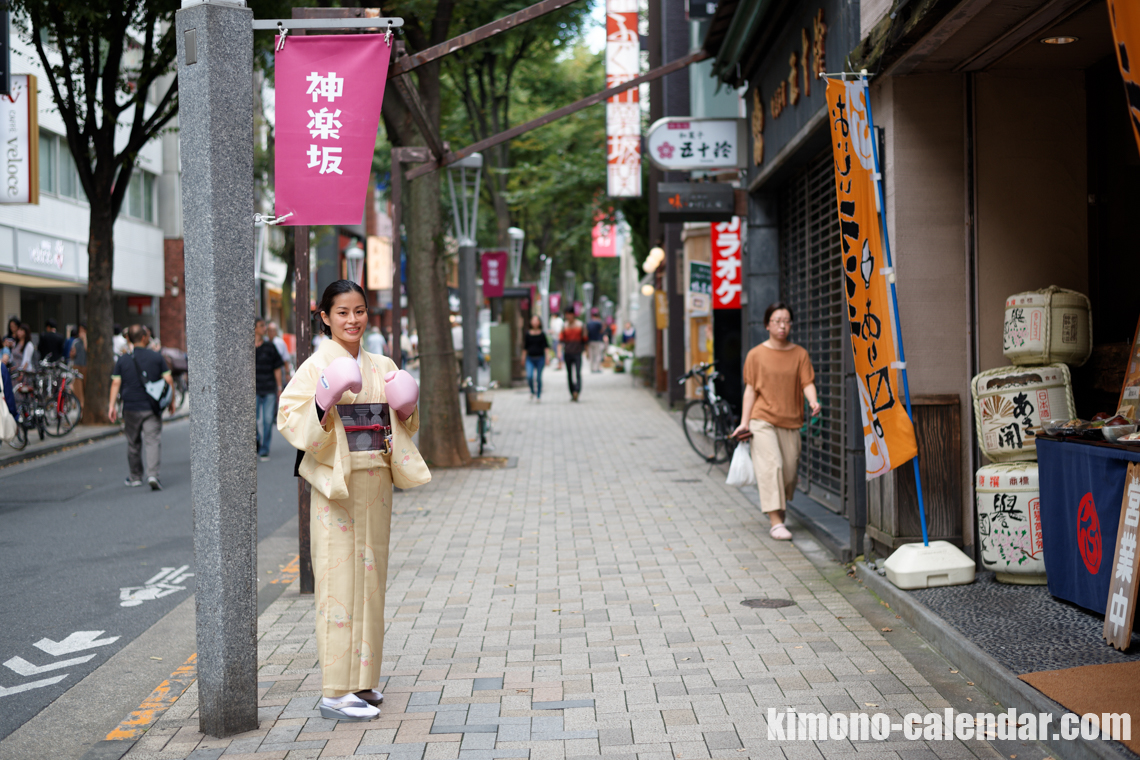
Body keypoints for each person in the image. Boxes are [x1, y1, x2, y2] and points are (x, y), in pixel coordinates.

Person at [278, 280, 430, 722]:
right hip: (336, 485)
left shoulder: (380, 364)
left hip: (375, 482)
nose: (352, 320)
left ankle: (362, 679)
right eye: (342, 312)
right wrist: (324, 400)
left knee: (371, 580)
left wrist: (405, 408)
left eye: (359, 311)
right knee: (338, 582)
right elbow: (291, 420)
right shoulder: (313, 366)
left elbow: (404, 425)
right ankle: (334, 691)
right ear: (324, 317)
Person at [731, 303, 820, 541]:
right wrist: (744, 422)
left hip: (791, 420)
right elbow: (750, 390)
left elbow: (807, 382)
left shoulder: (799, 353)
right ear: (767, 324)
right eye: (777, 320)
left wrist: (813, 401)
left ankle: (778, 509)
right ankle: (776, 521)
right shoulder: (756, 355)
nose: (782, 325)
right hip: (762, 419)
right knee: (773, 465)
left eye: (787, 321)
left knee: (789, 472)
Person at [109, 325, 174, 491]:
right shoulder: (156, 357)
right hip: (151, 407)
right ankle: (153, 475)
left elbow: (116, 382)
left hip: (130, 406)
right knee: (152, 441)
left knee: (133, 442)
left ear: (129, 339)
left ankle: (135, 476)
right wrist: (171, 401)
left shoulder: (123, 360)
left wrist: (111, 406)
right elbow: (168, 379)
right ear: (145, 337)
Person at [255, 318, 284, 461]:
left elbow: (277, 368)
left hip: (269, 389)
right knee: (251, 421)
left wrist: (279, 387)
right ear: (254, 329)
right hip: (252, 390)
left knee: (267, 420)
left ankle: (264, 449)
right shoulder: (246, 348)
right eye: (261, 326)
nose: (264, 328)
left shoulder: (270, 346)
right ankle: (256, 442)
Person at [558, 308, 587, 401]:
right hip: (567, 352)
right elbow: (561, 340)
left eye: (570, 314)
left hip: (578, 352)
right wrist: (559, 352)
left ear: (574, 314)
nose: (569, 316)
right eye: (567, 314)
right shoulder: (564, 326)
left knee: (578, 373)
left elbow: (585, 339)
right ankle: (572, 392)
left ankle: (577, 391)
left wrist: (587, 351)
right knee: (569, 373)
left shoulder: (580, 325)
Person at [524, 315, 549, 402]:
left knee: (538, 378)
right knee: (529, 376)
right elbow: (525, 347)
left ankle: (538, 395)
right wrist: (523, 358)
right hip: (530, 358)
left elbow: (546, 347)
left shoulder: (542, 334)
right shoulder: (528, 334)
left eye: (536, 320)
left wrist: (547, 358)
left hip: (540, 358)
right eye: (533, 320)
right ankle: (532, 391)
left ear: (539, 322)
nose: (535, 322)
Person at [585, 308, 608, 373]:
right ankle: (597, 368)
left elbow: (586, 332)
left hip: (590, 341)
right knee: (598, 355)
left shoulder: (589, 323)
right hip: (597, 340)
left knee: (591, 355)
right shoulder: (599, 323)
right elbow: (601, 331)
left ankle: (592, 368)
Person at [70, 324, 88, 405]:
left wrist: (85, 340)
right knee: (78, 390)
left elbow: (88, 352)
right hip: (77, 367)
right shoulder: (75, 341)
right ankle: (80, 406)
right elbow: (71, 355)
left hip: (86, 367)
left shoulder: (89, 341)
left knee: (86, 390)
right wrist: (72, 353)